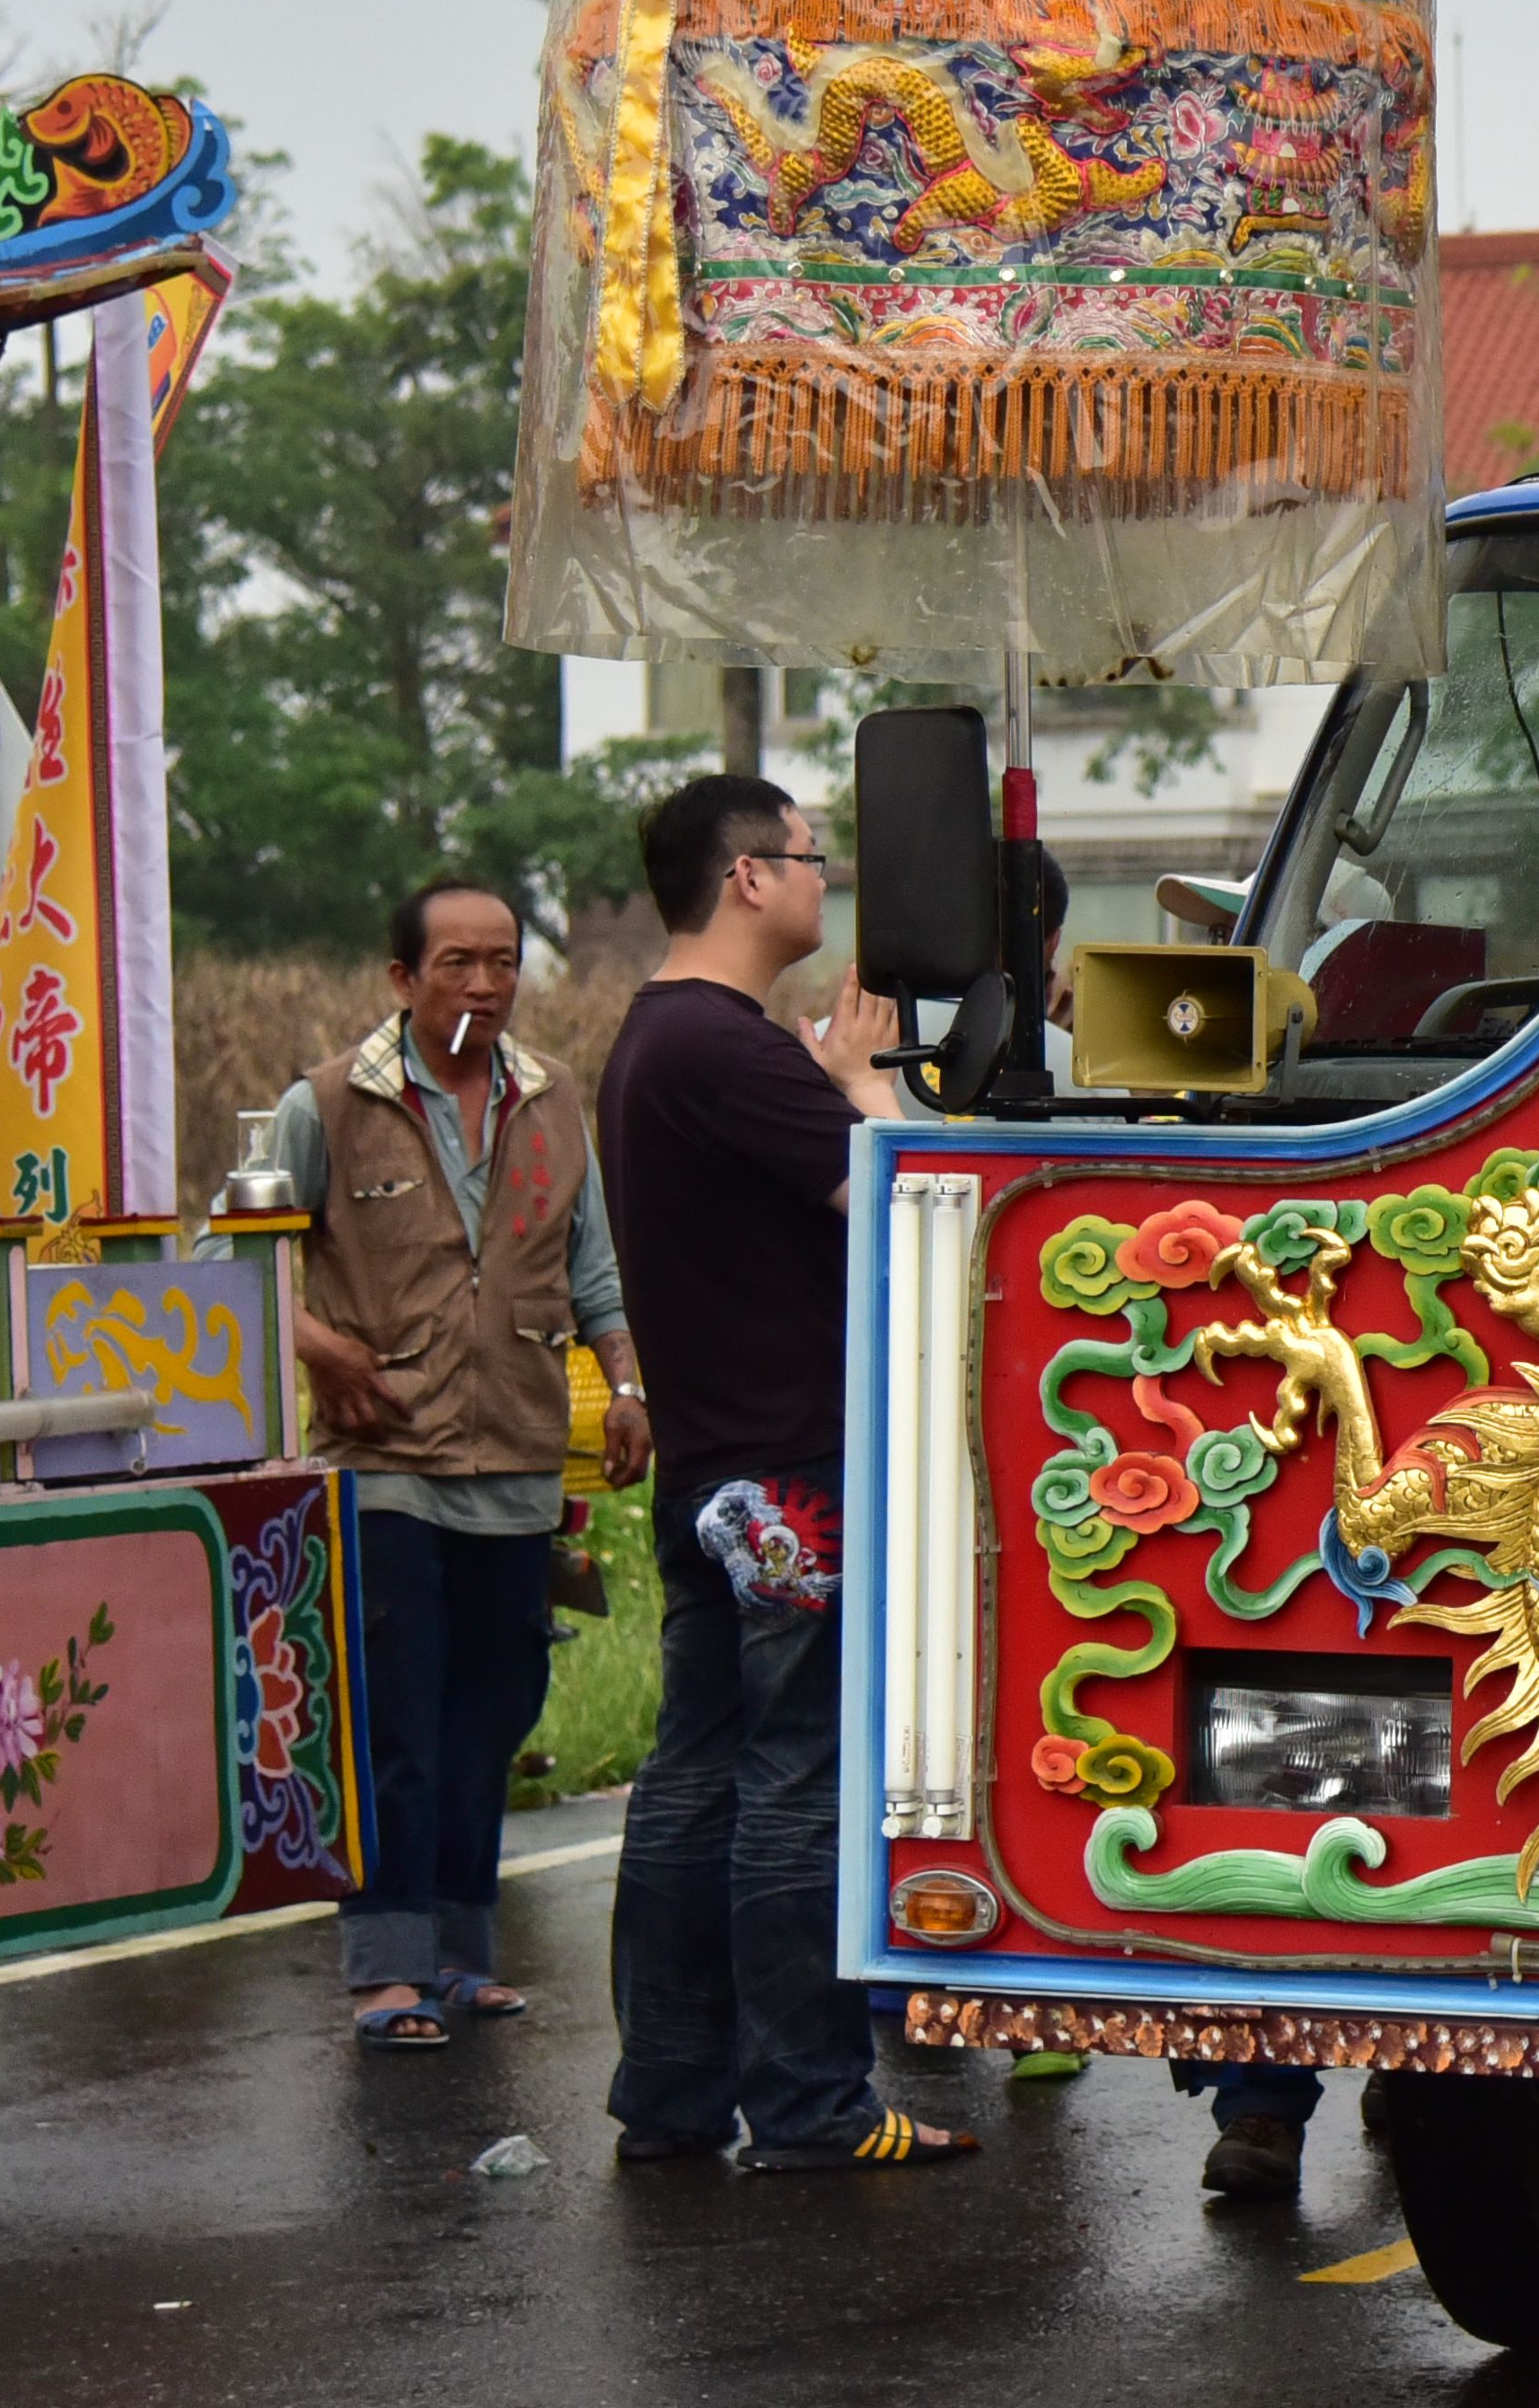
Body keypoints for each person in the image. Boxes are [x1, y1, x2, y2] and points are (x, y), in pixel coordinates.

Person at [594, 773, 971, 2172]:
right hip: (792, 1477)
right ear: (747, 877)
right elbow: (908, 1201)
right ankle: (812, 2101)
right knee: (796, 1777)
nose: (826, 880)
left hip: (711, 1466)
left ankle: (672, 2093)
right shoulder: (724, 1047)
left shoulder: (655, 1039)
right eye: (811, 857)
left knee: (696, 1775)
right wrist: (866, 1089)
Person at [278, 878, 646, 2051]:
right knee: (397, 1717)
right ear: (403, 978)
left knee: (492, 1712)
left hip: (521, 1457)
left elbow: (593, 1269)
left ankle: (461, 1952)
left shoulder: (551, 1098)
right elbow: (234, 1264)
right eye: (456, 964)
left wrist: (628, 1385)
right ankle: (385, 1969)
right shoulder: (328, 1103)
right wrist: (320, 1344)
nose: (484, 985)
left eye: (502, 962)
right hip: (385, 1459)